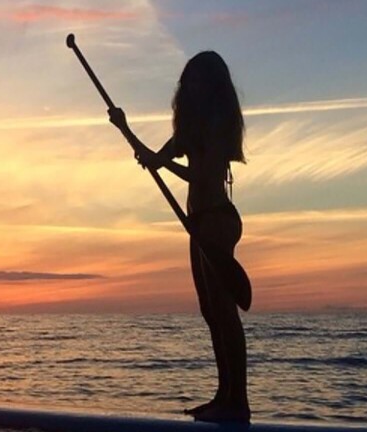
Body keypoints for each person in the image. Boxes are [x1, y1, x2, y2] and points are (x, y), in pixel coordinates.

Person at [108, 51, 250, 423]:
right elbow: (151, 158)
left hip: (217, 221)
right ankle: (223, 395)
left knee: (224, 311)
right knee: (209, 312)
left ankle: (239, 401)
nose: (188, 86)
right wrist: (124, 128)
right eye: (186, 81)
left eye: (196, 80)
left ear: (213, 86)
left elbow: (202, 178)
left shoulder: (219, 126)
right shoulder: (188, 131)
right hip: (197, 222)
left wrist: (165, 163)